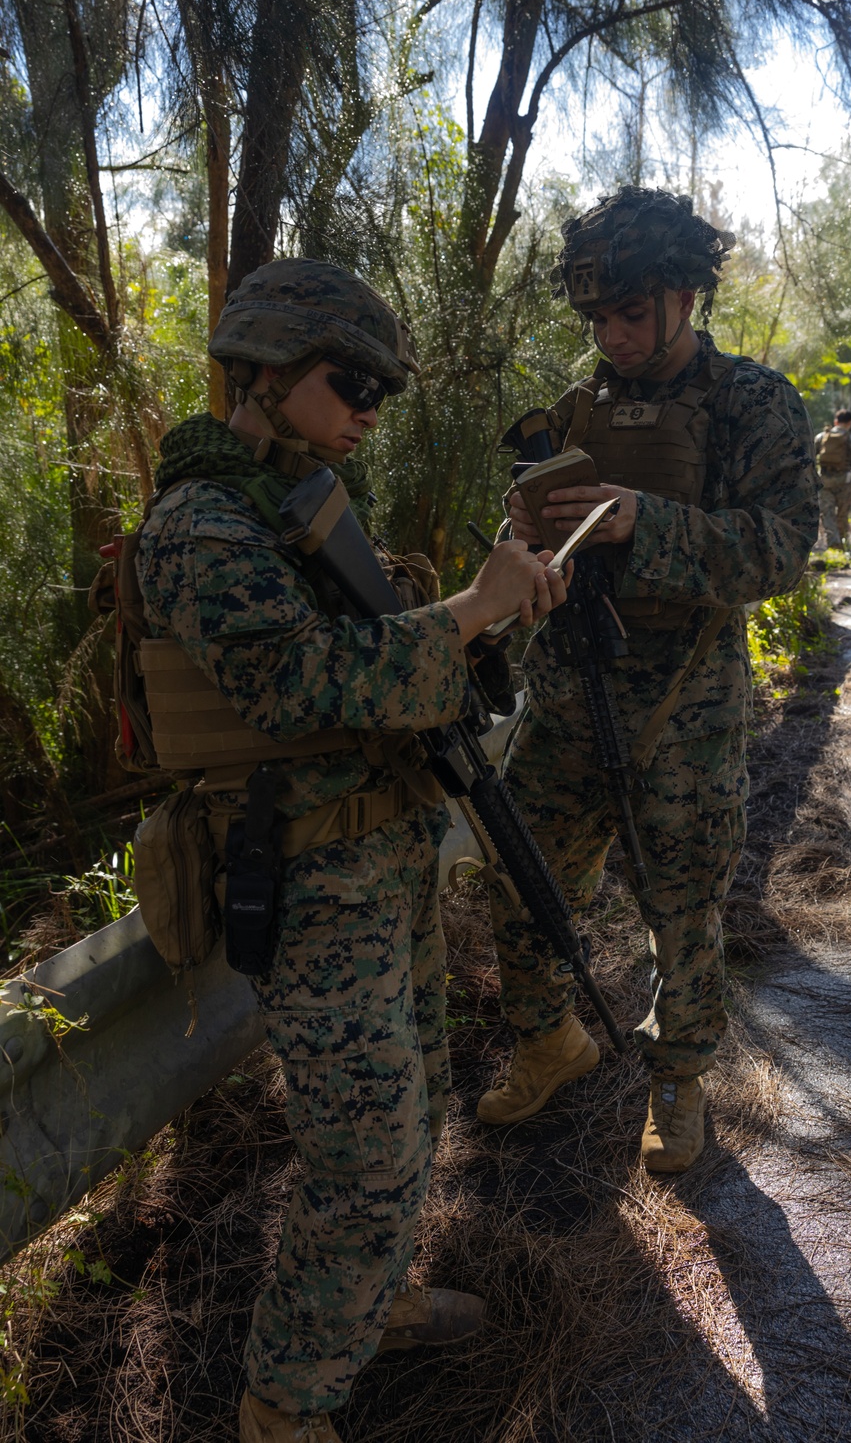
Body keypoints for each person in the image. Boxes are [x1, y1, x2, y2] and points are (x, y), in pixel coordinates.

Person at [134, 260, 568, 1443]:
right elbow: (291, 682)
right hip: (310, 882)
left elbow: (382, 669)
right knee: (366, 1155)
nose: (372, 404)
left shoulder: (304, 499)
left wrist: (485, 622)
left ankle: (360, 1305)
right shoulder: (201, 523)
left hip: (384, 861)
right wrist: (467, 610)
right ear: (264, 375)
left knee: (417, 1102)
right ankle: (283, 1403)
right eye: (352, 379)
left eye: (384, 385)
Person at [478, 187, 819, 1174]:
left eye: (631, 314)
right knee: (524, 873)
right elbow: (528, 544)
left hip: (688, 706)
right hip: (573, 691)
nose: (614, 336)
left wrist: (644, 521)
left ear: (682, 296)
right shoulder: (579, 408)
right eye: (596, 319)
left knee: (682, 902)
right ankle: (549, 1041)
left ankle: (678, 1079)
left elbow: (785, 551)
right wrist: (526, 542)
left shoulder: (750, 403)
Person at [816, 407, 851, 548]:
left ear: (835, 421)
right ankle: (842, 541)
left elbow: (811, 460)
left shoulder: (821, 437)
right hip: (845, 482)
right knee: (842, 514)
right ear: (850, 423)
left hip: (824, 482)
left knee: (827, 514)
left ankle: (833, 543)